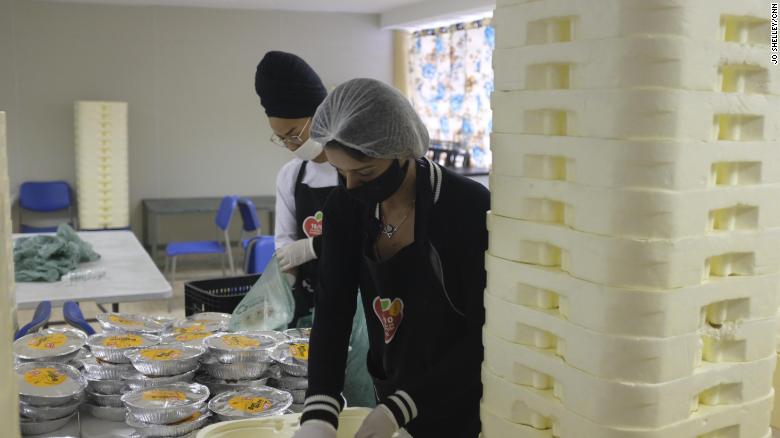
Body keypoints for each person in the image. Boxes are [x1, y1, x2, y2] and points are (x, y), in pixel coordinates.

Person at [294, 78, 489, 438]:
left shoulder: (466, 209)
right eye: (341, 172)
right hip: (391, 390)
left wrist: (401, 406)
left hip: (459, 398)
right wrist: (319, 409)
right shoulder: (346, 207)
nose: (351, 186)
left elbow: (484, 333)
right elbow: (333, 308)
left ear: (402, 151)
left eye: (364, 172)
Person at [254, 52, 374, 407]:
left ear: (320, 116)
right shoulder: (293, 176)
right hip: (313, 296)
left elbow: (372, 232)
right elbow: (284, 240)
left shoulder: (359, 168)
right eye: (281, 138)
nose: (291, 144)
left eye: (294, 134)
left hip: (363, 303)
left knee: (357, 387)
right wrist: (287, 280)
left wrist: (315, 247)